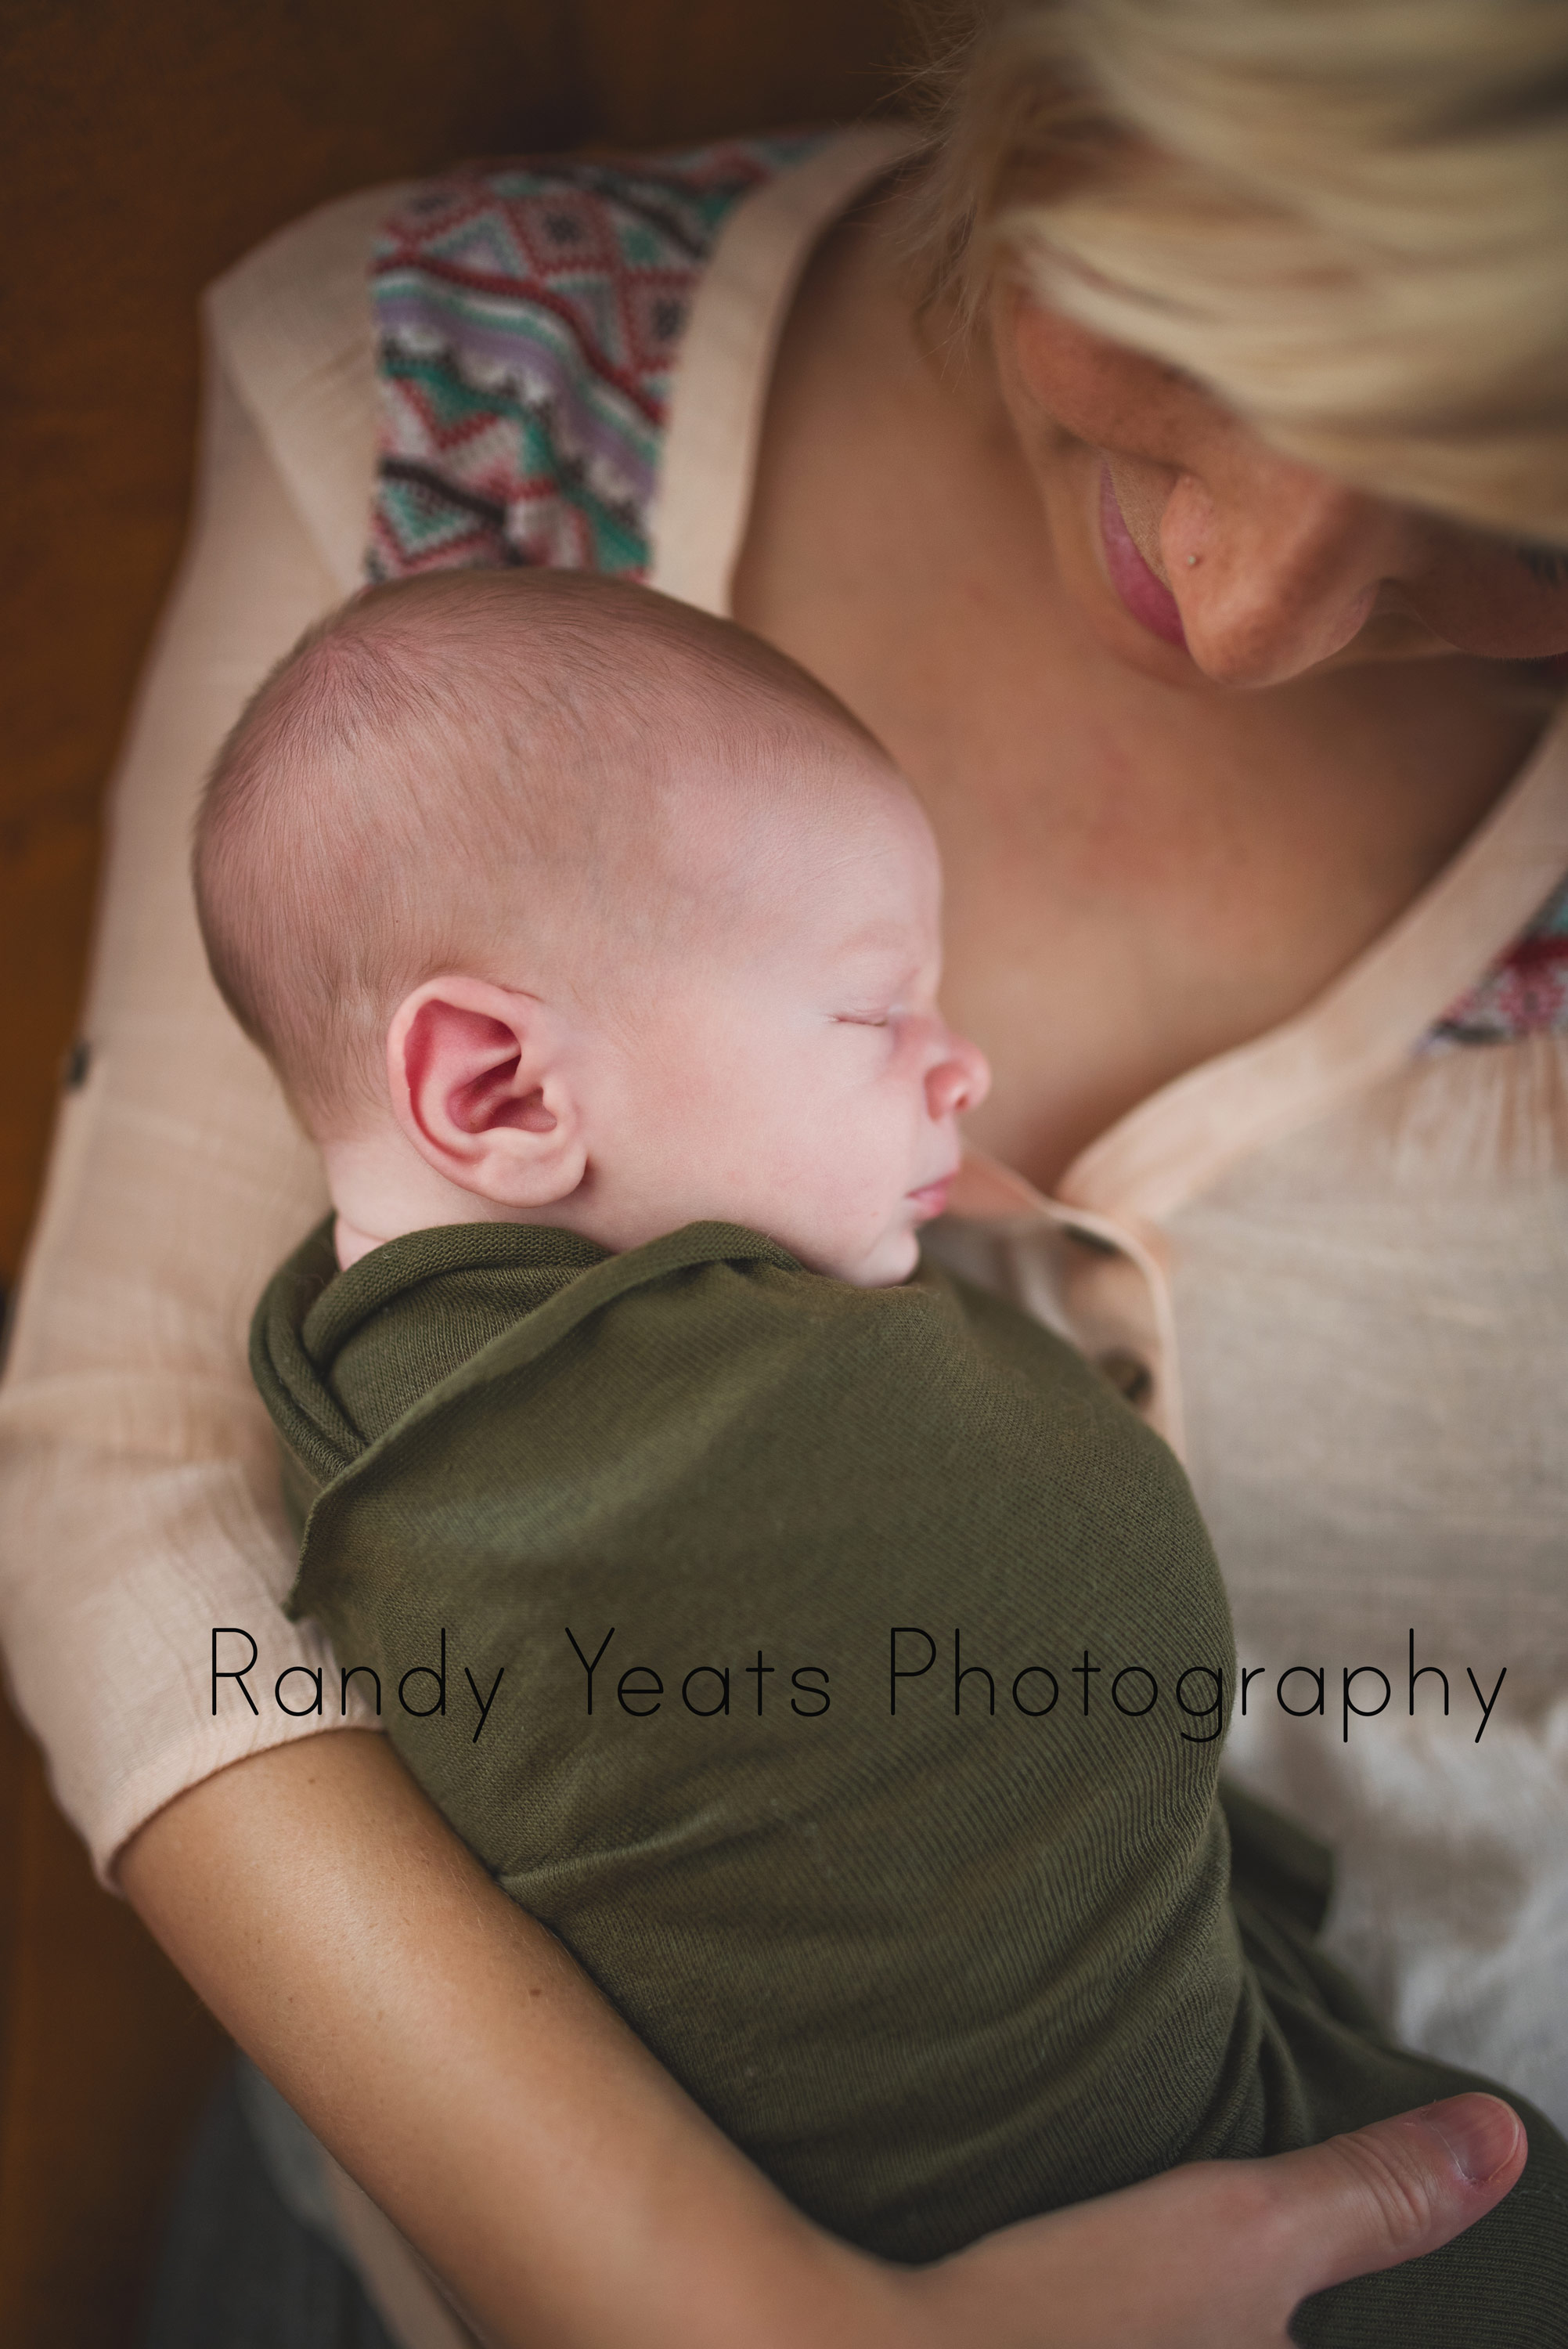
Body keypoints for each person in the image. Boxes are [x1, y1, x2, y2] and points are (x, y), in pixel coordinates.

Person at [1, 0, 1563, 2340]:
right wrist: (688, 2289)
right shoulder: (463, 410)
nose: (1243, 607)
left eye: (1526, 510)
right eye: (1208, 324)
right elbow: (140, 1486)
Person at [204, 564, 1568, 2347]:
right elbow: (1077, 1575)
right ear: (503, 1093)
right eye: (873, 1015)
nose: (959, 1067)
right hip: (1077, 2181)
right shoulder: (619, 1459)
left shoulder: (353, 1374)